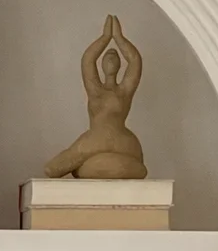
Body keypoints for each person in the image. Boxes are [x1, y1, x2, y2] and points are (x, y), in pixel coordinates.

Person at [45, 14, 148, 181]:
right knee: (52, 169)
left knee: (134, 169)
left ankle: (94, 166)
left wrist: (119, 38)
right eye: (108, 56)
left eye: (115, 57)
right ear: (101, 65)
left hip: (123, 140)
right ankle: (95, 166)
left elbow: (135, 61)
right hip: (96, 139)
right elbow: (88, 60)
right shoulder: (95, 90)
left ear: (120, 65)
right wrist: (106, 37)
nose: (111, 59)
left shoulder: (124, 91)